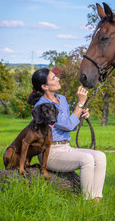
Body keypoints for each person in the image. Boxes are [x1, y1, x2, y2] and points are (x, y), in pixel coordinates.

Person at [28, 68, 106, 201]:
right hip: (50, 152)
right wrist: (80, 103)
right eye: (53, 78)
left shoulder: (62, 99)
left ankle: (96, 199)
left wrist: (81, 114)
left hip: (66, 148)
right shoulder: (43, 105)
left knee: (100, 156)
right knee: (87, 159)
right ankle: (87, 201)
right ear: (45, 86)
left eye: (56, 76)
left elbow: (71, 123)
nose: (58, 78)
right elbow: (69, 125)